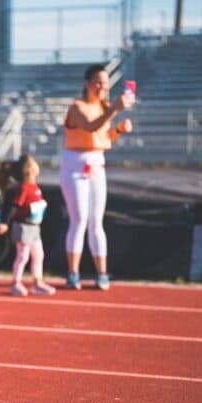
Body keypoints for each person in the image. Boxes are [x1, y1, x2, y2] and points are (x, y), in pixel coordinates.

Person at [60, 64, 134, 291]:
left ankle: (102, 273)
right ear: (87, 84)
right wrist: (115, 110)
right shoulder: (77, 107)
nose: (103, 87)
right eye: (98, 82)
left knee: (96, 221)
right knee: (79, 219)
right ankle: (73, 272)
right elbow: (90, 127)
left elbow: (103, 139)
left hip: (96, 163)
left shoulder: (103, 107)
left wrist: (118, 130)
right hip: (75, 164)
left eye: (106, 82)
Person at [0, 155, 56, 297]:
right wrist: (5, 222)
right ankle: (15, 283)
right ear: (29, 169)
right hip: (23, 226)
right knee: (23, 256)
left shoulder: (35, 187)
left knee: (39, 255)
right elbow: (14, 206)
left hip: (34, 227)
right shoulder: (24, 188)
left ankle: (37, 282)